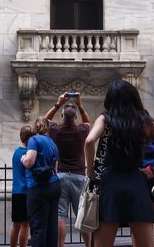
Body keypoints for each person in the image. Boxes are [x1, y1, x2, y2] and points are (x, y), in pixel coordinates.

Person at [83, 80, 154, 247]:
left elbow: (88, 141)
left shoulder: (106, 118)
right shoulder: (144, 122)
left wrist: (90, 171)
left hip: (110, 181)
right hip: (136, 180)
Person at [44, 93, 91, 247]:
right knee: (82, 215)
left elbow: (44, 121)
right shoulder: (81, 131)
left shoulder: (56, 130)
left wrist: (58, 104)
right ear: (75, 117)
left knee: (60, 214)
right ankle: (88, 245)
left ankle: (60, 245)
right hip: (79, 176)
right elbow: (88, 123)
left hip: (61, 176)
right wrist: (80, 104)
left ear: (62, 115)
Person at [23, 118, 61, 247]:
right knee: (51, 225)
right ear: (47, 128)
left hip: (38, 187)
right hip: (54, 185)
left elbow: (29, 162)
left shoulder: (34, 140)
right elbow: (55, 169)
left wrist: (23, 159)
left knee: (38, 225)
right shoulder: (53, 144)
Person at [11, 125, 34, 247]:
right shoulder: (28, 154)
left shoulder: (16, 152)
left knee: (16, 225)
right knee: (25, 225)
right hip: (26, 192)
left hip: (16, 191)